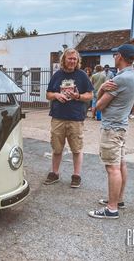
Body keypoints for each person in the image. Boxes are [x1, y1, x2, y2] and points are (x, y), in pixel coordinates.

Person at [88, 44, 134, 219]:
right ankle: (118, 200)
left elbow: (100, 105)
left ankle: (111, 208)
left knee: (112, 168)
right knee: (121, 165)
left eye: (115, 55)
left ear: (120, 56)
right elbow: (132, 105)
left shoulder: (120, 79)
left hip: (112, 128)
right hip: (121, 126)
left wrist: (101, 89)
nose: (114, 58)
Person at [44, 48, 94, 188]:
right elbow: (48, 94)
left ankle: (76, 175)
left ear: (77, 61)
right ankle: (54, 173)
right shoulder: (57, 75)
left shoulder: (82, 75)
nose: (72, 61)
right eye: (69, 58)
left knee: (76, 149)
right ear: (64, 60)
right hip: (58, 117)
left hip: (76, 118)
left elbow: (90, 95)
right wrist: (56, 96)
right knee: (57, 148)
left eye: (74, 59)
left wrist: (78, 96)